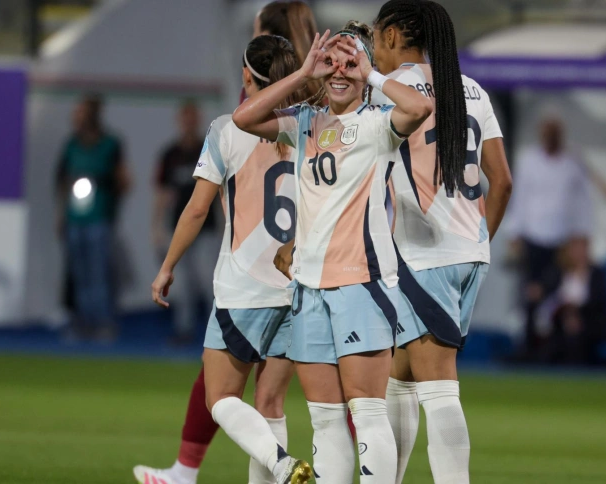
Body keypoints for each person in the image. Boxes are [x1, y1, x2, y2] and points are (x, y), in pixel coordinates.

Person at [235, 23, 433, 483]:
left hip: (361, 284)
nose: (340, 71)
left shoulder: (378, 122)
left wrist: (374, 76)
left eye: (351, 61)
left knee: (366, 413)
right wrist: (305, 71)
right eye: (333, 61)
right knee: (324, 419)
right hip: (308, 289)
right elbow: (245, 118)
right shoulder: (305, 121)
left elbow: (421, 106)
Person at [134, 2, 320, 482]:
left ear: (247, 74)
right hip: (297, 287)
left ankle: (279, 465)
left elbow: (196, 209)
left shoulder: (228, 128)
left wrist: (166, 265)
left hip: (245, 286)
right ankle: (280, 469)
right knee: (271, 402)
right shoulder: (311, 126)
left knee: (221, 398)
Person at [367, 1, 513, 482]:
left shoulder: (393, 91)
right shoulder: (471, 89)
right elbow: (502, 181)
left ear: (391, 36)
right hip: (470, 252)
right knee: (398, 378)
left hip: (422, 254)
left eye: (374, 38)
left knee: (438, 390)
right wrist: (476, 242)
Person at [506, 116, 592, 359]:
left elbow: (582, 201)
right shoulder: (529, 161)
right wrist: (515, 233)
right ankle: (527, 346)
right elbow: (519, 196)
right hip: (533, 237)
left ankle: (555, 347)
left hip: (561, 241)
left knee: (558, 294)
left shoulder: (572, 163)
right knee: (529, 295)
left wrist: (582, 235)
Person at [55, 94, 130, 342]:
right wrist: (61, 215)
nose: (76, 118)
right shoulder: (71, 145)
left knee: (98, 274)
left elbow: (123, 181)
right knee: (79, 274)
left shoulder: (110, 145)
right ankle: (82, 322)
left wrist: (111, 204)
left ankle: (103, 322)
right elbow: (62, 181)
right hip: (75, 220)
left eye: (81, 113)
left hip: (99, 219)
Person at [152, 101, 220, 344]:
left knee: (209, 280)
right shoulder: (171, 154)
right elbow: (162, 194)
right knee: (182, 282)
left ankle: (219, 330)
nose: (189, 122)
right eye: (185, 118)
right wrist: (157, 226)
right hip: (180, 227)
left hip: (207, 227)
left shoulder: (209, 149)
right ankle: (185, 329)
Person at [539, 237, 606, 365]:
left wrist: (576, 312)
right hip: (562, 318)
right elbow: (552, 296)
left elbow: (598, 301)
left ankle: (576, 369)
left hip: (590, 319)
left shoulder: (597, 273)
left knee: (575, 329)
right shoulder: (560, 273)